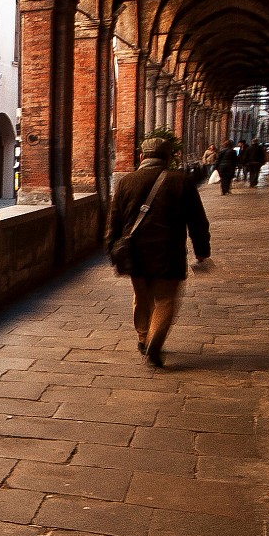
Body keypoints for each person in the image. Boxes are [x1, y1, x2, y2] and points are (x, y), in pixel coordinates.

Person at [108, 131, 214, 369]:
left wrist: (112, 249)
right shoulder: (181, 181)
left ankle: (143, 337)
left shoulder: (127, 181)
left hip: (134, 253)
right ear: (169, 157)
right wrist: (202, 250)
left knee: (141, 296)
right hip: (168, 252)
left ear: (141, 156)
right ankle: (155, 340)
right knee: (165, 299)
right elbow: (197, 220)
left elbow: (114, 220)